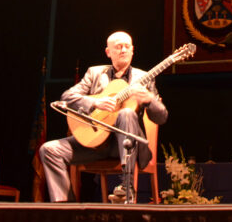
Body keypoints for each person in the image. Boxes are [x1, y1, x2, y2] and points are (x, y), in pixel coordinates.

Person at [38, 31, 167, 202]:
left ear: (133, 50)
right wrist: (95, 103)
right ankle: (66, 207)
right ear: (108, 52)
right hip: (96, 144)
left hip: (128, 145)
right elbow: (67, 97)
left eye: (127, 46)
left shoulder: (143, 78)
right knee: (49, 150)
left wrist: (150, 100)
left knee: (127, 113)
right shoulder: (95, 73)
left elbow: (161, 117)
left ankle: (126, 189)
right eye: (118, 47)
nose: (123, 50)